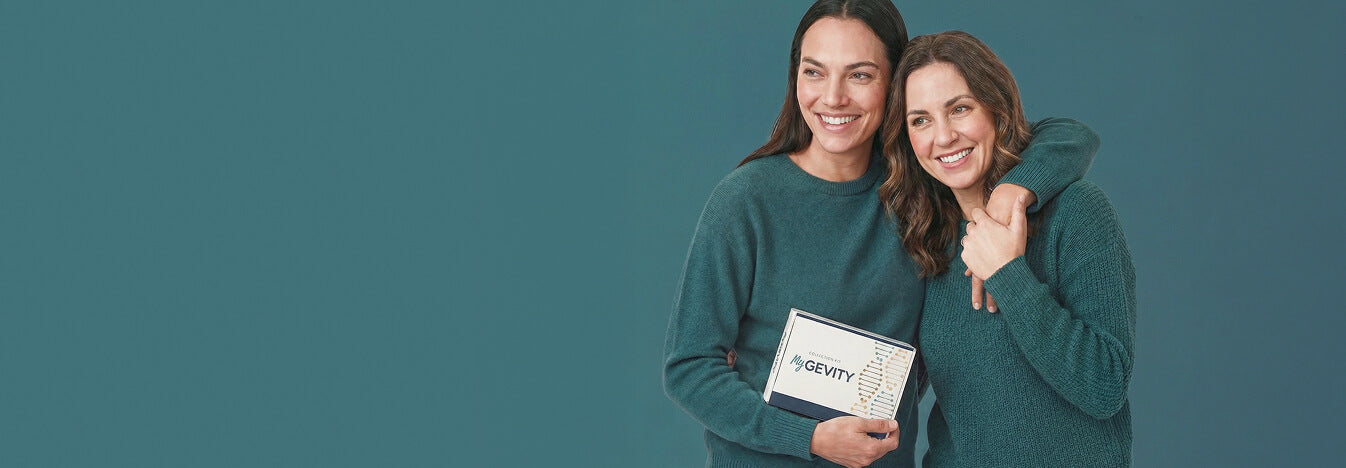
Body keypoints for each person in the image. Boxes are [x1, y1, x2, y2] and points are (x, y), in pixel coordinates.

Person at [663, 1, 1099, 466]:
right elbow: (689, 367)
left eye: (859, 75)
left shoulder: (921, 194)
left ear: (895, 86)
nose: (833, 98)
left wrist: (1014, 191)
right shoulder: (745, 201)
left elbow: (1069, 136)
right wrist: (810, 438)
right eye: (814, 72)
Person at [881, 30, 1135, 467]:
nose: (944, 136)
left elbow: (1104, 387)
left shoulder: (1076, 212)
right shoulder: (928, 241)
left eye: (959, 109)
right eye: (920, 120)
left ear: (995, 109)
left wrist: (1007, 273)